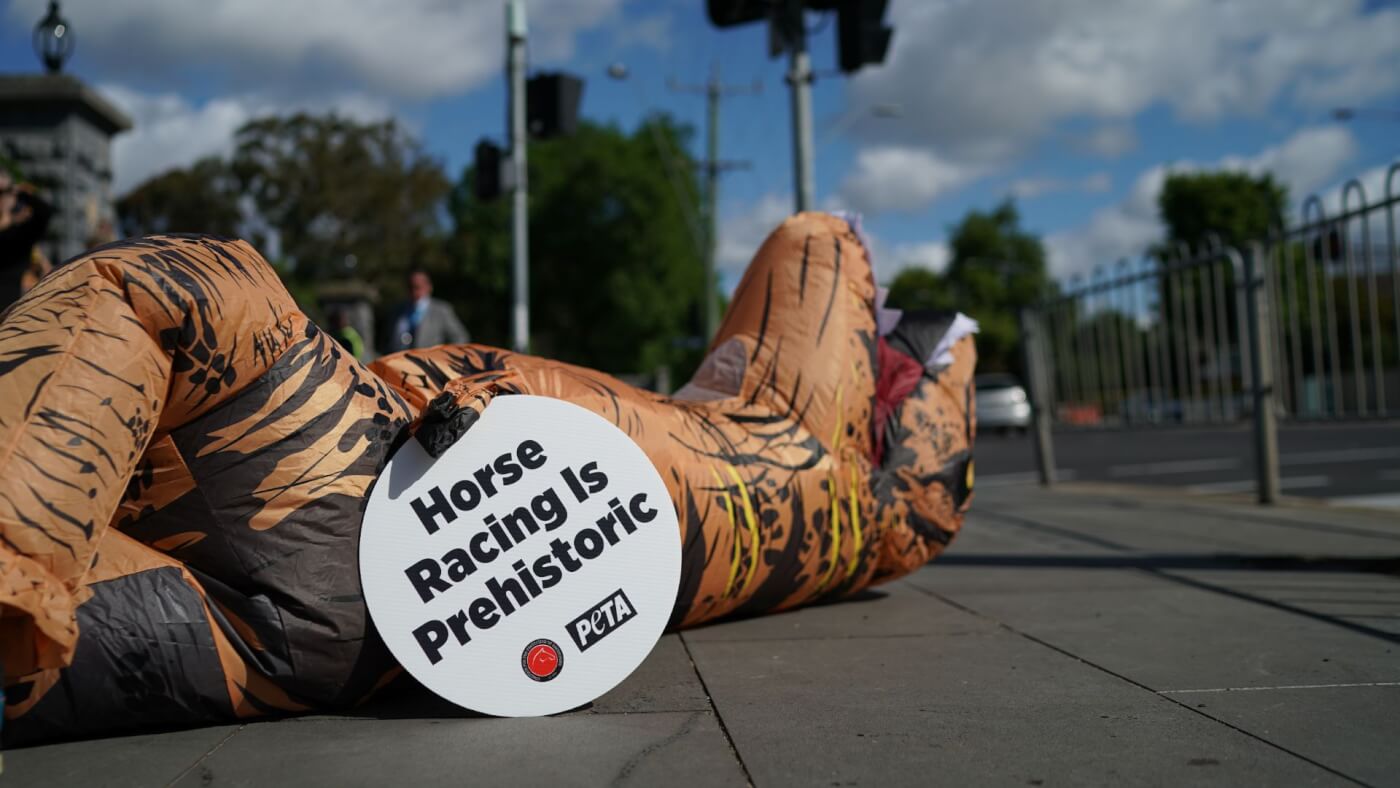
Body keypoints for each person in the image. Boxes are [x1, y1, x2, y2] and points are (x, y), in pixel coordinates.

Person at [0, 171, 54, 310]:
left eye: (1, 193)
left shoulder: (19, 236)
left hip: (6, 316)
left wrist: (19, 191)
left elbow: (44, 212)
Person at [386, 268, 469, 351]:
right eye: (410, 287)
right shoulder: (398, 310)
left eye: (418, 287)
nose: (414, 292)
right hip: (400, 361)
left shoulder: (441, 310)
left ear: (429, 287)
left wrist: (444, 357)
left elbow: (460, 338)